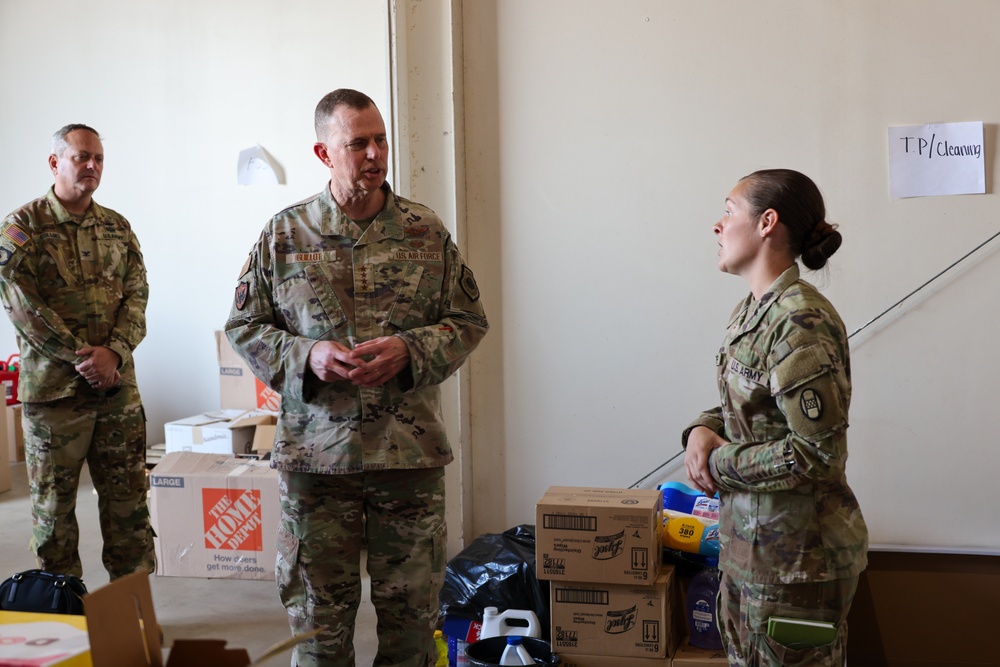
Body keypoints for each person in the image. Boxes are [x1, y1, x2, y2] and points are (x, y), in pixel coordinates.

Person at [225, 88, 489, 667]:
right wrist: (308, 356)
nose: (374, 154)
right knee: (318, 632)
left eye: (380, 139)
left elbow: (469, 320)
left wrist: (412, 347)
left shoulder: (424, 230)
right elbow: (244, 327)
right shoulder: (284, 235)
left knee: (412, 627)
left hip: (408, 464)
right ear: (324, 153)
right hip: (318, 468)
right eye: (358, 143)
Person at [681, 169, 868, 667]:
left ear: (767, 222)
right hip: (751, 555)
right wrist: (704, 427)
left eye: (728, 210)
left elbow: (818, 454)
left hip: (800, 571)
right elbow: (752, 408)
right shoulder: (753, 312)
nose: (716, 225)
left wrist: (719, 466)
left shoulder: (799, 322)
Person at [0, 124, 154, 581]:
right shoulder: (20, 228)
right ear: (55, 163)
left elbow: (138, 294)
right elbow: (24, 309)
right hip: (55, 399)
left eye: (99, 159)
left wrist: (115, 353)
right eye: (82, 157)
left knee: (129, 513)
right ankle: (66, 625)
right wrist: (84, 358)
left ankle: (132, 622)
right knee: (54, 520)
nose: (92, 166)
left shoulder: (117, 227)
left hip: (116, 394)